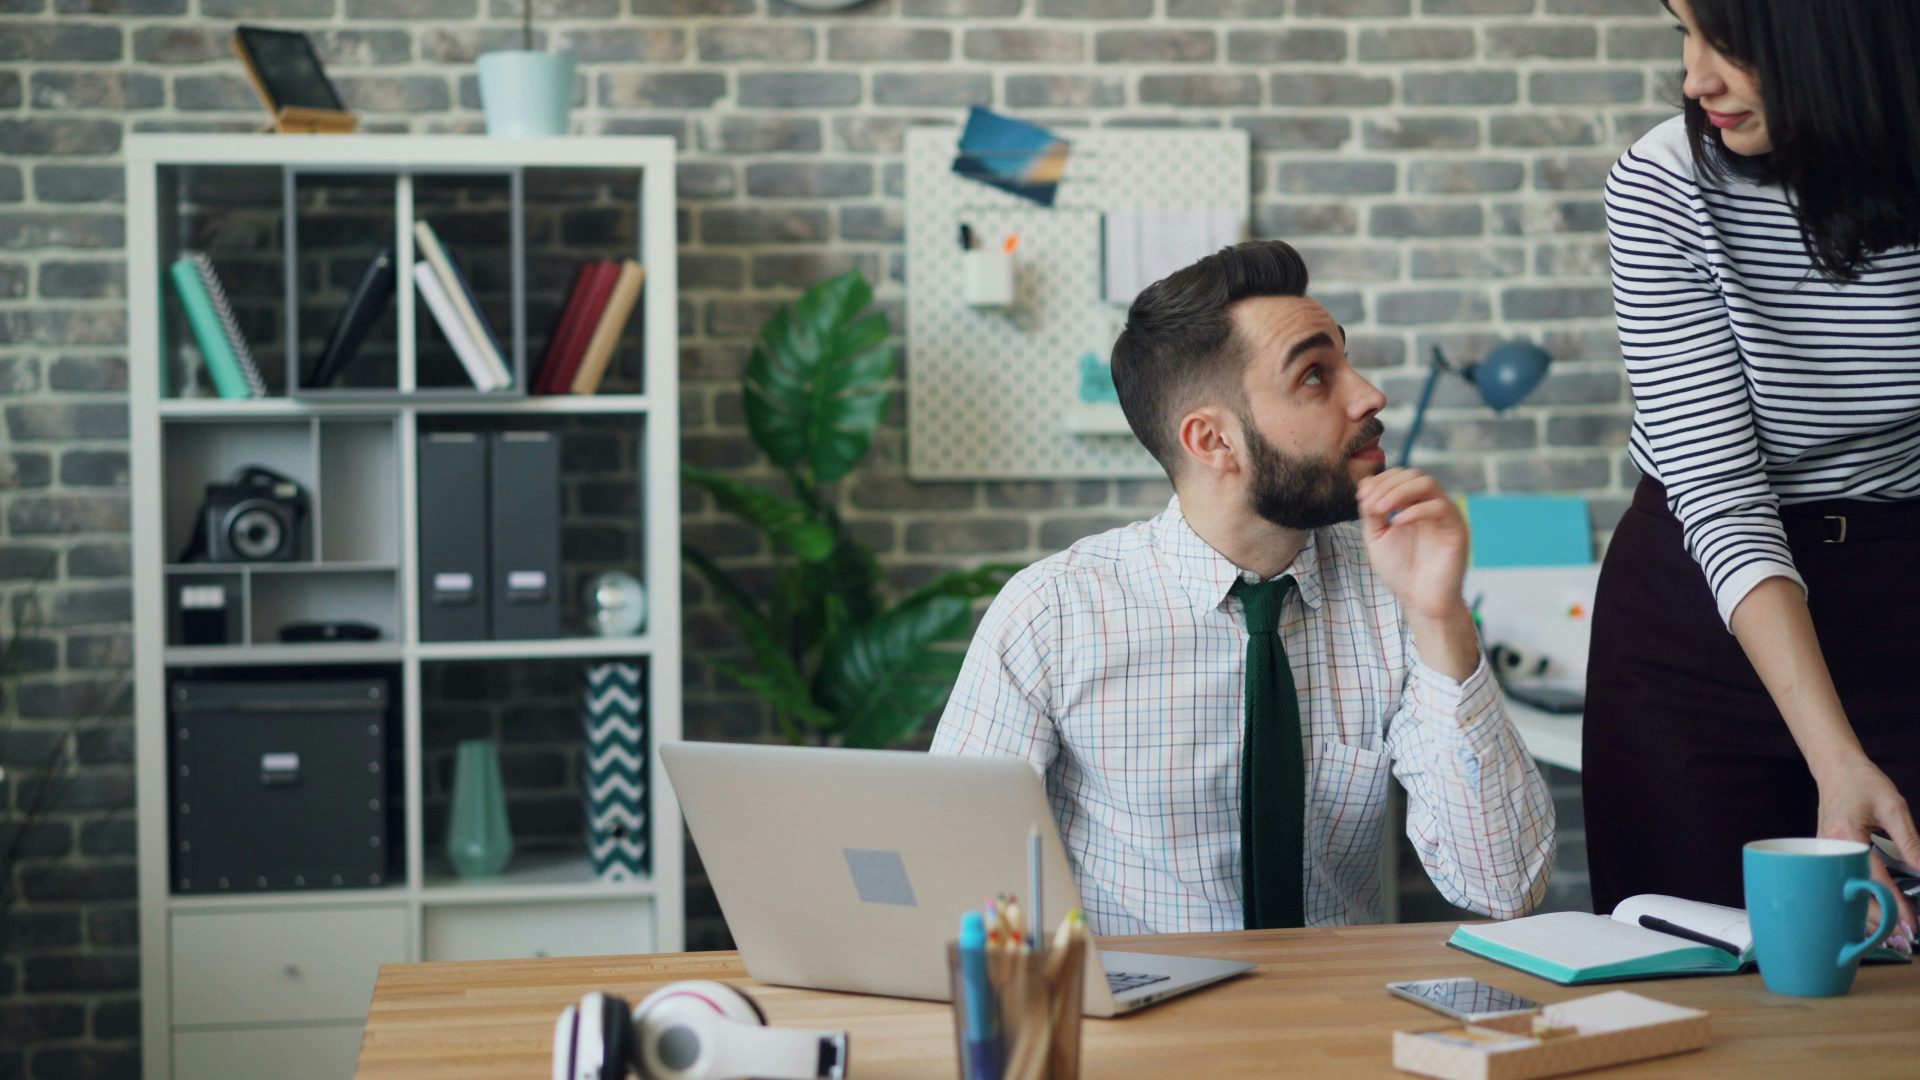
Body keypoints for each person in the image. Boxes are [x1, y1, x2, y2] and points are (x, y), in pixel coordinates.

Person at [930, 240, 1554, 935]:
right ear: (1212, 441)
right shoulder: (1052, 614)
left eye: (1345, 360)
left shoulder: (1394, 595)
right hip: (1135, 1024)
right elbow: (958, 878)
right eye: (1316, 376)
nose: (1370, 395)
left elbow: (1504, 887)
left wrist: (1439, 617)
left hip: (1339, 1023)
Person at [1584, 0, 1920, 950]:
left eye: (1730, 42)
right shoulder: (1664, 185)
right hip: (1701, 617)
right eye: (1681, 35)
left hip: (1900, 587)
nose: (1696, 78)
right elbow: (1723, 495)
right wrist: (1834, 757)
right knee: (1691, 975)